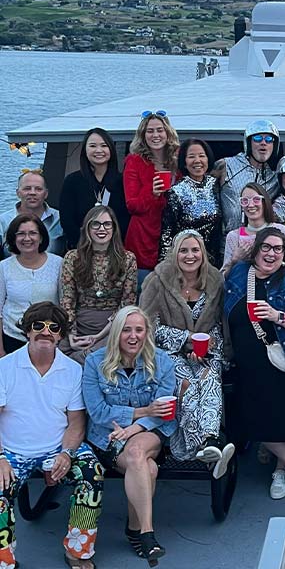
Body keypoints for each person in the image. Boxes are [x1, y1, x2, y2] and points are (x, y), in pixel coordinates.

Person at [0, 302, 104, 569]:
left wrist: (67, 454)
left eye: (53, 327)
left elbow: (76, 423)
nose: (45, 332)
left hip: (58, 447)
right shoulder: (5, 367)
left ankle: (77, 550)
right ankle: (4, 559)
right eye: (38, 326)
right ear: (26, 331)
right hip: (11, 451)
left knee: (92, 474)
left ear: (60, 335)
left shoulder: (72, 370)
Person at [224, 227, 285, 499]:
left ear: (284, 254)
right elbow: (219, 296)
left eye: (277, 248)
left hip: (284, 357)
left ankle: (280, 468)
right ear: (256, 249)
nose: (271, 253)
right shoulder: (240, 273)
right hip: (248, 363)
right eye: (266, 247)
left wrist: (278, 316)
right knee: (253, 417)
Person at [82, 306, 177, 564]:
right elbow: (98, 412)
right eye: (126, 330)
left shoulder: (163, 362)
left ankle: (146, 533)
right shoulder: (94, 362)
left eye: (139, 330)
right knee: (147, 468)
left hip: (150, 431)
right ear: (116, 334)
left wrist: (134, 427)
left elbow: (164, 410)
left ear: (147, 333)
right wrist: (142, 410)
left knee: (136, 451)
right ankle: (136, 530)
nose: (133, 336)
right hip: (109, 436)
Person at [140, 230, 234, 477]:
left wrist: (209, 346)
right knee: (187, 385)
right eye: (184, 250)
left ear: (203, 253)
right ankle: (202, 445)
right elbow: (146, 325)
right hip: (167, 353)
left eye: (195, 250)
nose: (190, 256)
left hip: (207, 352)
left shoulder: (215, 281)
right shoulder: (157, 280)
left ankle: (210, 440)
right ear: (174, 253)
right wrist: (185, 339)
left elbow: (219, 323)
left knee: (210, 379)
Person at [59, 206, 138, 363]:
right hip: (78, 323)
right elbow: (67, 300)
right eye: (95, 224)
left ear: (114, 228)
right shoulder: (72, 258)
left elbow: (126, 304)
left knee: (94, 357)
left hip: (113, 326)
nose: (101, 229)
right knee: (56, 353)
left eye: (107, 224)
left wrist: (99, 336)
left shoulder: (128, 259)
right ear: (87, 228)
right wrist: (72, 334)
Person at [124, 110, 181, 280]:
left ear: (167, 133)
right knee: (144, 291)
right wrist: (152, 193)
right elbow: (132, 205)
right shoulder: (134, 161)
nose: (155, 135)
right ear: (143, 135)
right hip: (143, 238)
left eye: (159, 130)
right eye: (150, 131)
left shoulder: (177, 161)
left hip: (172, 235)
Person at [0, 214, 63, 355]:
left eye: (33, 233)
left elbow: (65, 304)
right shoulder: (3, 267)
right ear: (13, 238)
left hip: (49, 337)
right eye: (21, 234)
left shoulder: (59, 264)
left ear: (41, 237)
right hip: (12, 337)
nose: (27, 238)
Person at [60, 127, 130, 250]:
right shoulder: (72, 181)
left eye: (104, 145)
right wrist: (85, 246)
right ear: (85, 151)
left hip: (115, 251)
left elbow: (126, 220)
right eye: (92, 146)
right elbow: (67, 221)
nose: (99, 150)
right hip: (81, 250)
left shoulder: (122, 182)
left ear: (111, 149)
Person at [159, 138, 223, 266]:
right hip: (187, 259)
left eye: (201, 156)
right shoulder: (176, 191)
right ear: (184, 162)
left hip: (214, 260)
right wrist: (165, 267)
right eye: (191, 156)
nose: (197, 161)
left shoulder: (217, 184)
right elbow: (167, 233)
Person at [217, 120, 282, 236]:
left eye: (269, 140)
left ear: (274, 145)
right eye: (257, 139)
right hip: (226, 244)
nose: (263, 143)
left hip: (259, 246)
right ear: (249, 142)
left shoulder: (275, 178)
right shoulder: (226, 165)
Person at [221, 182, 285, 274]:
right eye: (245, 201)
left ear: (264, 202)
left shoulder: (283, 231)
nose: (250, 205)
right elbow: (223, 278)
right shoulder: (233, 236)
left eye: (256, 199)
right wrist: (234, 260)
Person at [0, 170, 64, 256]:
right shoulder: (3, 221)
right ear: (18, 193)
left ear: (46, 194)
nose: (32, 193)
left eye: (38, 189)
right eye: (27, 188)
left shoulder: (60, 219)